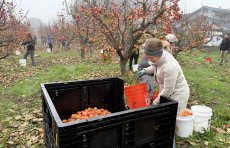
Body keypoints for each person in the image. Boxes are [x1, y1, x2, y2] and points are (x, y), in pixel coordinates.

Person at [138, 38, 190, 114]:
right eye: (147, 57)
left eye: (150, 57)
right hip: (168, 94)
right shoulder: (160, 58)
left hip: (178, 96)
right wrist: (145, 71)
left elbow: (167, 90)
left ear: (157, 54)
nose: (148, 59)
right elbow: (155, 66)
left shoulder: (170, 67)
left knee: (174, 118)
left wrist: (154, 103)